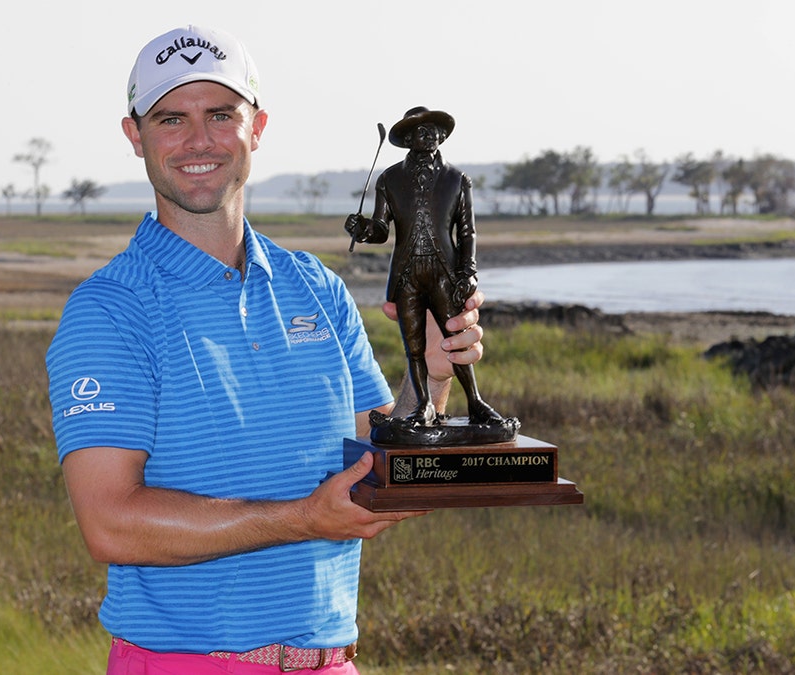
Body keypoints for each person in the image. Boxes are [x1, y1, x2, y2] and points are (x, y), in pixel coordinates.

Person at [46, 25, 488, 673]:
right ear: (134, 135)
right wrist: (304, 517)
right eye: (172, 118)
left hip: (332, 661)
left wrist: (437, 373)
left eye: (221, 115)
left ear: (257, 127)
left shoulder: (317, 286)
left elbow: (377, 456)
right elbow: (110, 523)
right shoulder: (110, 309)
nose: (199, 140)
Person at [345, 107, 506, 428]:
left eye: (434, 130)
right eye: (420, 131)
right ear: (407, 140)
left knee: (455, 336)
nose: (429, 135)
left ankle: (475, 402)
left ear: (442, 136)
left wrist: (468, 271)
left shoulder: (457, 179)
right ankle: (424, 405)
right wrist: (362, 229)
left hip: (444, 270)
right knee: (414, 346)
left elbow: (467, 232)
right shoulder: (389, 179)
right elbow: (380, 230)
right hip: (407, 273)